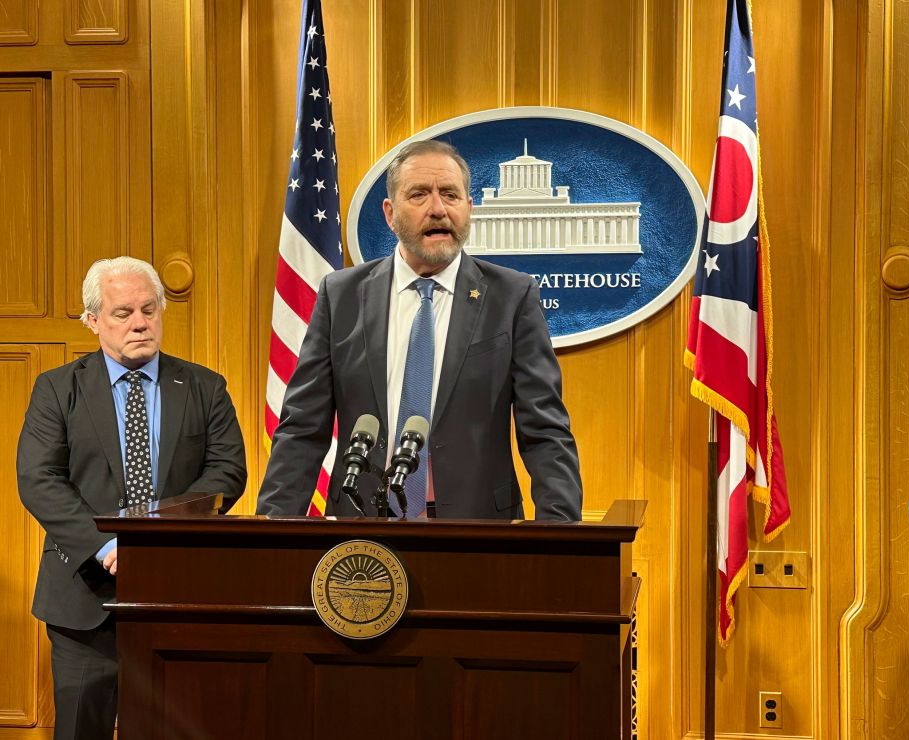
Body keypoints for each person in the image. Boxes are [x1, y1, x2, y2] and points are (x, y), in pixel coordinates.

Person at [257, 139, 582, 521]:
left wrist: (562, 533)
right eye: (419, 195)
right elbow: (302, 430)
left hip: (478, 528)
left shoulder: (511, 297)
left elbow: (544, 429)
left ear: (469, 209)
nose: (439, 209)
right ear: (390, 213)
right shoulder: (341, 295)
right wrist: (272, 532)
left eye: (450, 194)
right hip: (361, 525)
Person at [17, 256, 248, 740]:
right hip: (84, 601)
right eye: (123, 313)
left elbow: (227, 474)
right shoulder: (58, 389)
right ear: (92, 321)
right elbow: (40, 479)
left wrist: (156, 542)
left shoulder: (205, 388)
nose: (140, 323)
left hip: (181, 594)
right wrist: (107, 548)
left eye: (149, 309)